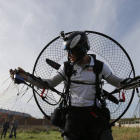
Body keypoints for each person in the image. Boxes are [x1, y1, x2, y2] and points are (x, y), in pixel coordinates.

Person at [10, 31, 127, 140]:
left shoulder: (99, 66)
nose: (68, 55)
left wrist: (133, 82)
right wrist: (27, 77)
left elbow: (119, 83)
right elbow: (49, 83)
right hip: (73, 116)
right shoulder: (66, 67)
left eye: (70, 51)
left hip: (95, 114)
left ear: (80, 50)